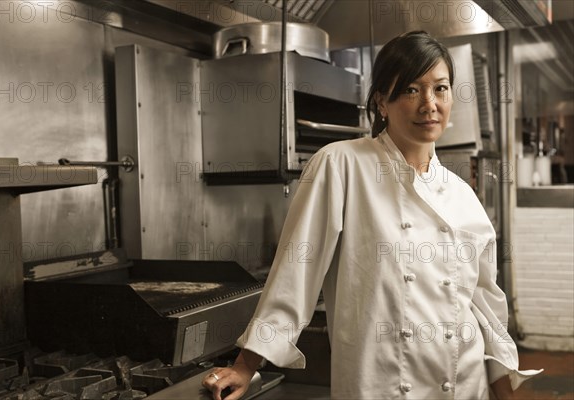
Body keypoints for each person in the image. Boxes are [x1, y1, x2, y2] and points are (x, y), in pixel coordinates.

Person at [202, 31, 541, 400]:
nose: (429, 104)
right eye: (411, 90)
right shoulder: (341, 165)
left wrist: (505, 394)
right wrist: (245, 365)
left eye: (440, 89)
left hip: (464, 386)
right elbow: (296, 272)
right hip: (383, 388)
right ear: (382, 101)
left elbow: (485, 309)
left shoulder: (462, 195)